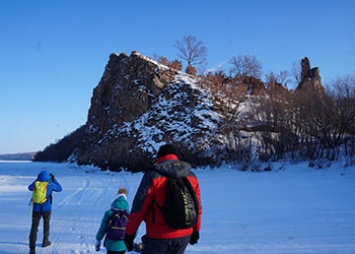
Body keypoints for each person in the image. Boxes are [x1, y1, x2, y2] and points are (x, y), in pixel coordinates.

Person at [124, 144, 202, 254]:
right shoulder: (191, 176)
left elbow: (139, 208)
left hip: (158, 236)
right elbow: (197, 206)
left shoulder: (152, 175)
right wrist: (196, 230)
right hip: (184, 234)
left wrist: (129, 234)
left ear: (159, 157)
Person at [28, 170, 62, 254]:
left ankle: (32, 248)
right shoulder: (49, 184)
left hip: (36, 209)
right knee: (46, 225)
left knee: (34, 228)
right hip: (46, 208)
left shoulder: (36, 184)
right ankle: (45, 241)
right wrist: (54, 179)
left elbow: (29, 188)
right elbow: (59, 188)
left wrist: (37, 180)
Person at [95, 188, 130, 254]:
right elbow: (134, 230)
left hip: (110, 244)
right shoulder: (128, 215)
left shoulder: (109, 213)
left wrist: (98, 240)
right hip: (123, 245)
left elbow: (102, 229)